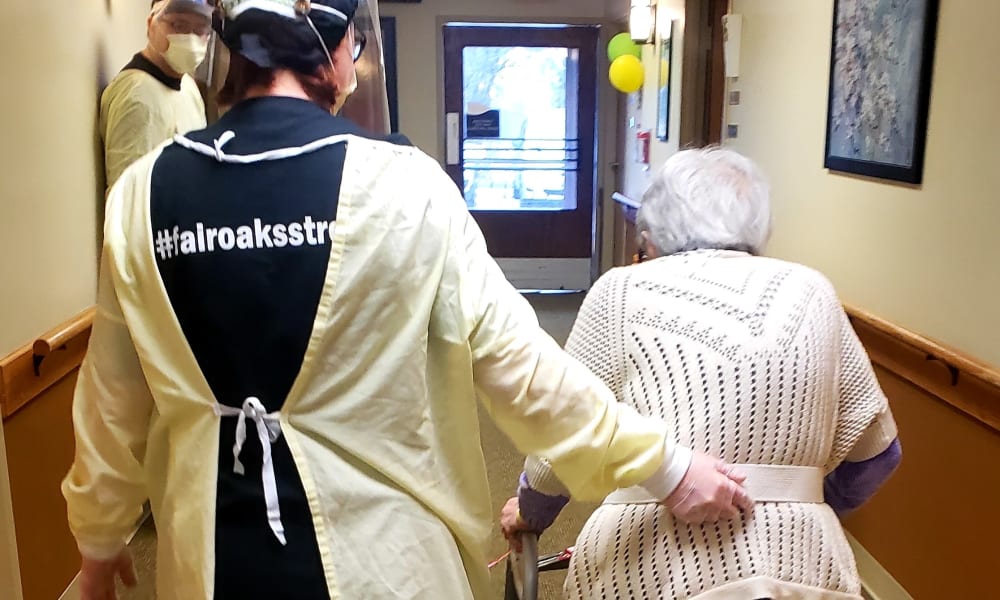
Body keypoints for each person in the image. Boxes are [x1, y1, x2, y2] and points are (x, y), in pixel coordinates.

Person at [61, 2, 754, 599]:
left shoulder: (143, 193)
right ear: (335, 57)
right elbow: (525, 372)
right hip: (386, 564)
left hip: (210, 560)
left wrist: (97, 539)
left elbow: (111, 400)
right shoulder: (403, 185)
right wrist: (667, 465)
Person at [500, 148, 902, 600]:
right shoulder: (814, 292)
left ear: (650, 238)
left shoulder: (620, 290)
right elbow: (877, 454)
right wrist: (795, 509)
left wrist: (529, 514)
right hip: (804, 571)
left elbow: (561, 441)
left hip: (651, 566)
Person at [99, 0, 212, 192]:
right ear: (151, 24)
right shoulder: (137, 94)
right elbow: (127, 198)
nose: (190, 38)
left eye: (200, 29)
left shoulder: (188, 88)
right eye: (178, 25)